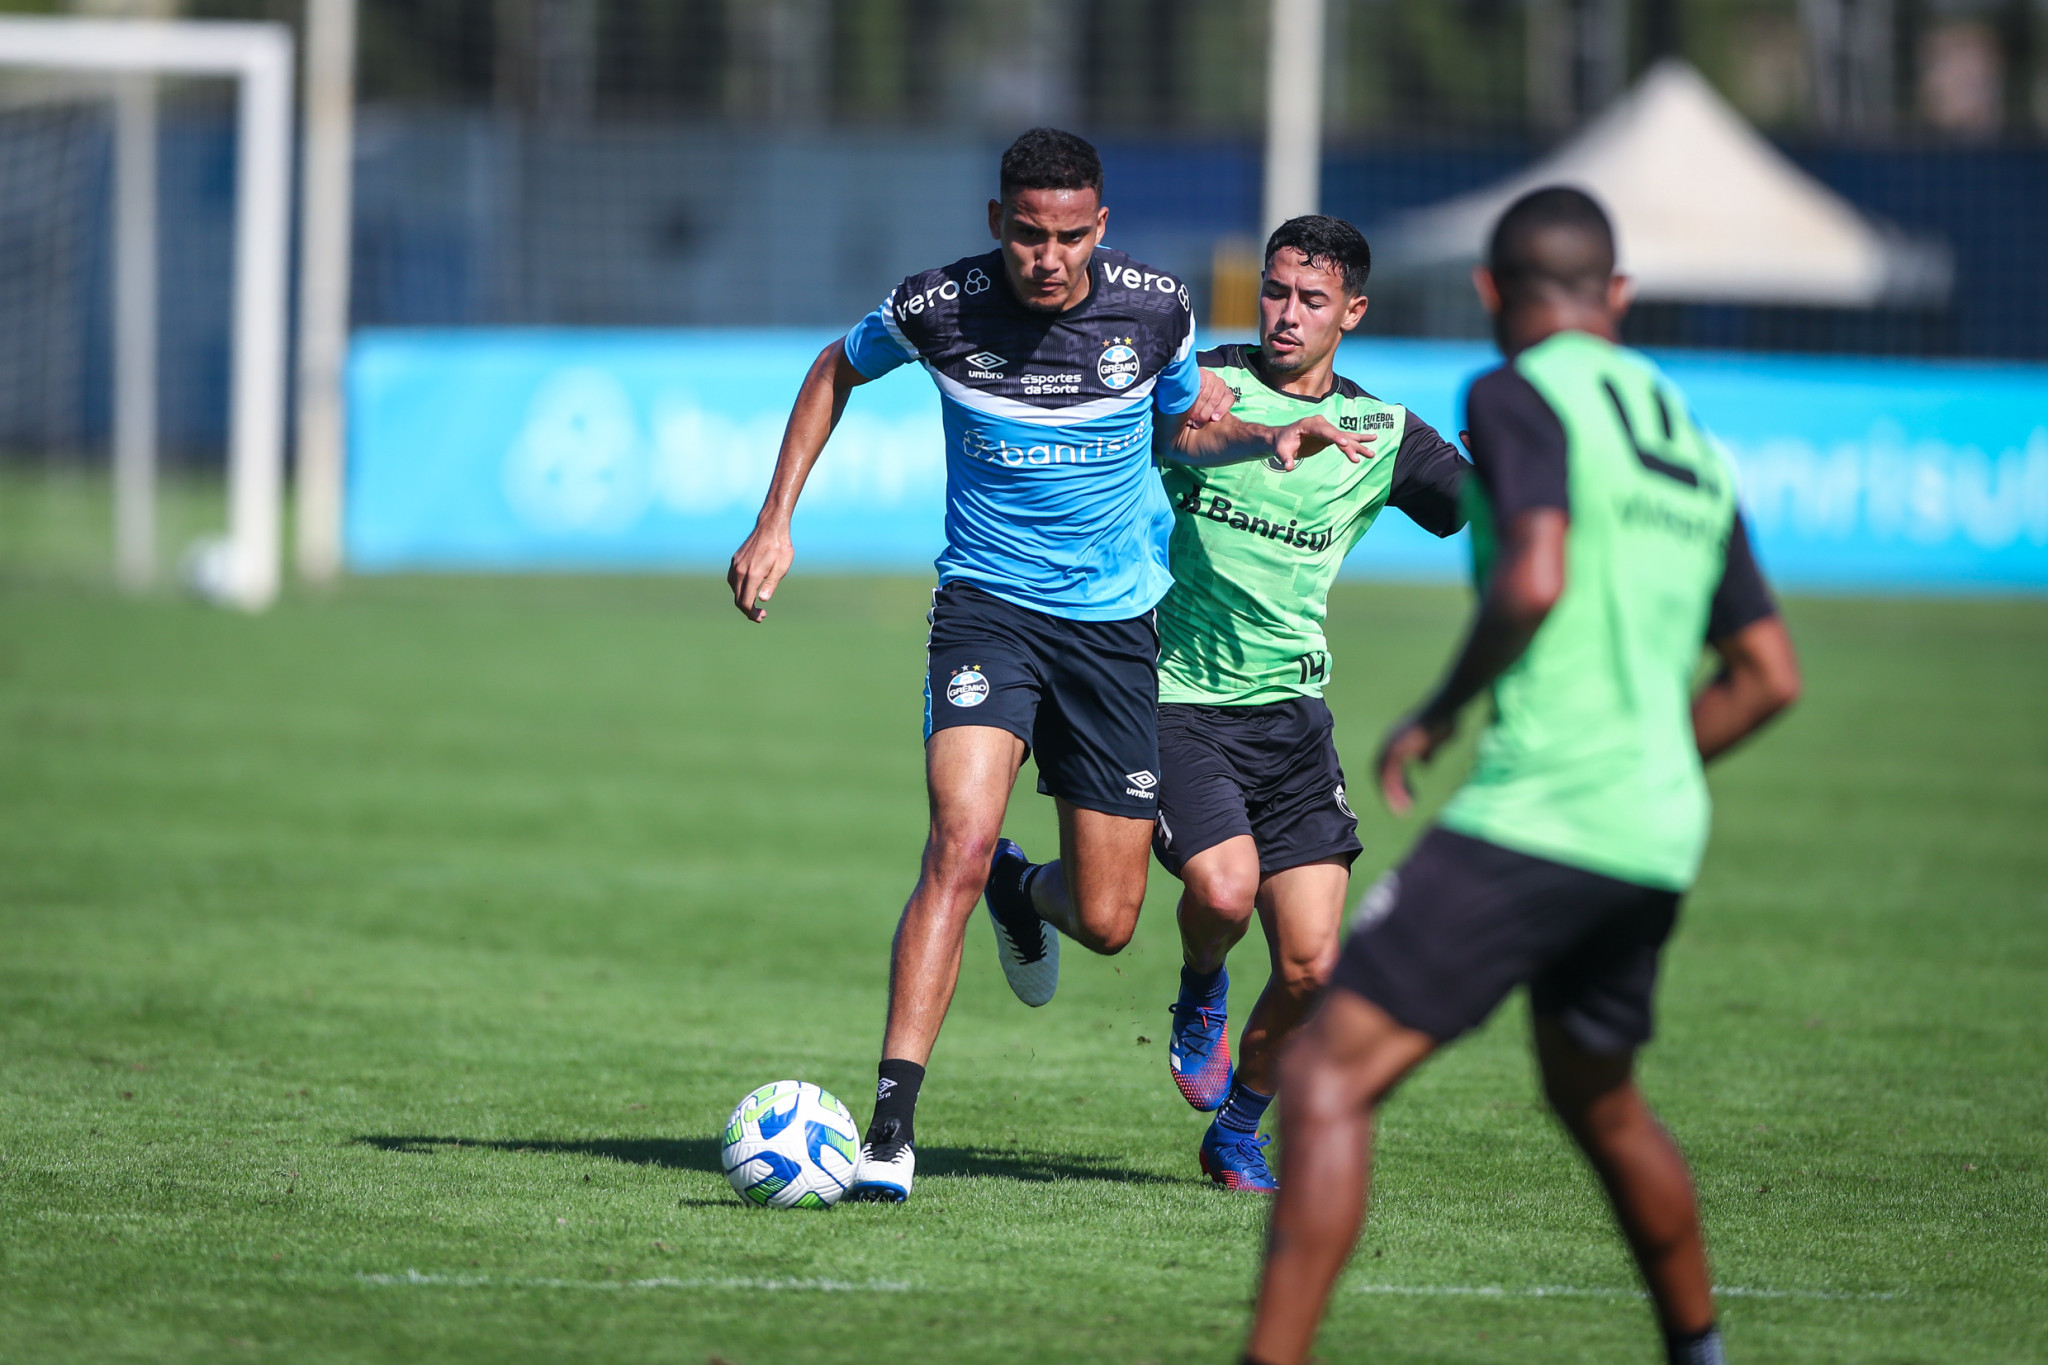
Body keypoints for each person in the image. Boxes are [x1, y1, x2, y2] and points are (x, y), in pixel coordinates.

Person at [727, 128, 1373, 1205]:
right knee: (957, 839)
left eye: (1070, 235)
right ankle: (890, 1128)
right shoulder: (936, 308)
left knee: (1112, 920)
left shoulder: (1157, 311)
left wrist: (1265, 440)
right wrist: (773, 522)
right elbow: (833, 368)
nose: (1048, 255)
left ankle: (1027, 894)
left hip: (1116, 634)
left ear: (1099, 228)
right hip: (986, 611)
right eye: (1027, 233)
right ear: (996, 224)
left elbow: (1180, 437)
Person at [1241, 187, 1803, 1365]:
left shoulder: (1513, 392)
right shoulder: (1684, 438)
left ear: (1492, 294)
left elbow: (1533, 571)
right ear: (1618, 297)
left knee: (1325, 1079)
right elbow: (1765, 674)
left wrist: (1438, 713)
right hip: (1654, 832)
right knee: (1598, 1101)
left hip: (1543, 811)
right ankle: (1697, 1351)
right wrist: (1650, 758)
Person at [1118, 214, 1469, 1193]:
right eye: (1274, 291)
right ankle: (1199, 992)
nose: (1283, 313)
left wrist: (1519, 470)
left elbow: (1471, 511)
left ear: (1350, 313)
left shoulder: (1381, 432)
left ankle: (1236, 1130)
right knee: (1221, 891)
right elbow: (1137, 430)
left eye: (1309, 300)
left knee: (1315, 969)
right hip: (1177, 698)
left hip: (1292, 724)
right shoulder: (1206, 387)